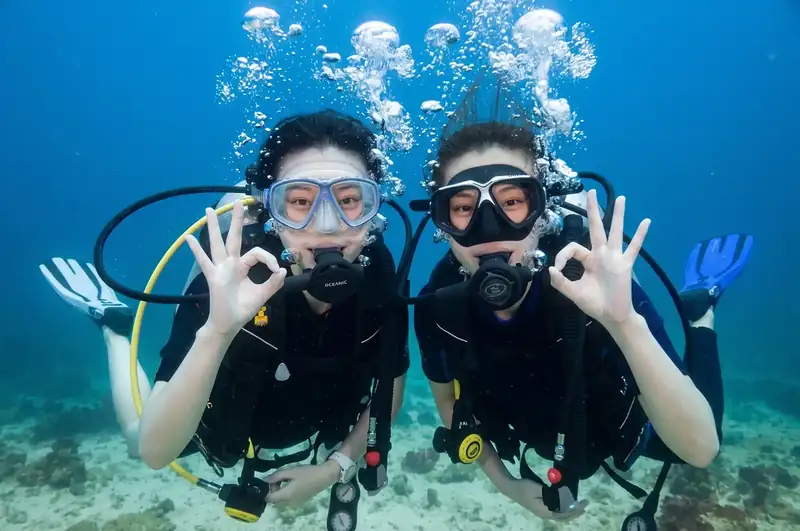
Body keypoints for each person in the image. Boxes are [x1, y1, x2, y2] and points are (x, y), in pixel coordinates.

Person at [40, 109, 410, 524]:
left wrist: (335, 467)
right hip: (225, 411)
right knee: (135, 437)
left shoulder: (377, 267)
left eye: (348, 201)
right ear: (272, 213)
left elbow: (390, 384)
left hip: (315, 422)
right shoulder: (234, 270)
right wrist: (218, 330)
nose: (327, 226)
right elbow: (155, 452)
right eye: (300, 202)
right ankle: (115, 328)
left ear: (372, 210)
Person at [412, 120, 752, 525]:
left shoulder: (590, 277)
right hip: (537, 435)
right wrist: (506, 484)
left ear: (542, 212)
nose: (490, 228)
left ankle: (699, 315)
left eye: (513, 201)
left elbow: (700, 449)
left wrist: (623, 321)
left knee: (697, 429)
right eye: (464, 207)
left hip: (621, 424)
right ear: (442, 222)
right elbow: (449, 403)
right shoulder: (439, 305)